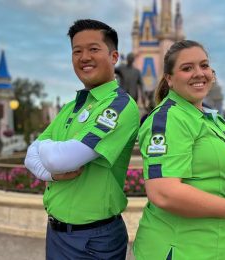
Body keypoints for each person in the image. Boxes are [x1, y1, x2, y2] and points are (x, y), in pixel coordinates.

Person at [133, 40, 225, 260]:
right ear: (169, 78)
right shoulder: (169, 118)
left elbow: (219, 174)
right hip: (184, 250)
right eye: (187, 68)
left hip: (222, 246)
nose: (199, 73)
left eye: (204, 66)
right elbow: (163, 193)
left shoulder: (213, 119)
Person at [24, 19, 140, 260]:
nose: (84, 57)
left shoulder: (119, 105)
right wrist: (51, 173)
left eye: (94, 49)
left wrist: (46, 149)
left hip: (93, 240)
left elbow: (63, 159)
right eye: (77, 51)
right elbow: (30, 156)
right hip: (56, 233)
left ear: (114, 56)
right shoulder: (71, 107)